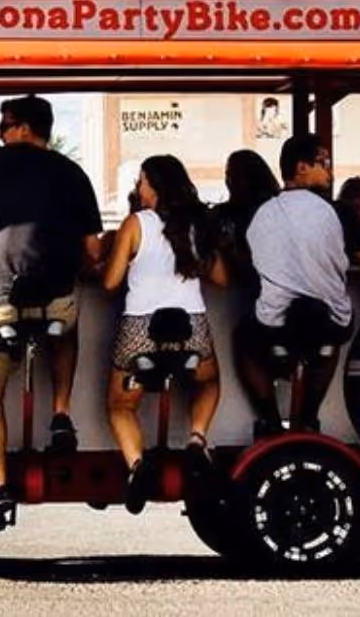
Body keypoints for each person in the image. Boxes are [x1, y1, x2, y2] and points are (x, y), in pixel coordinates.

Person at [0, 95, 103, 537]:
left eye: (6, 124)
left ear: (25, 128)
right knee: (66, 326)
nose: (0, 133)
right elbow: (94, 249)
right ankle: (60, 414)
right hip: (54, 291)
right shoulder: (73, 172)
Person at [102, 155, 228, 514]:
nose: (137, 188)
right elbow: (222, 279)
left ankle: (138, 466)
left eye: (141, 181)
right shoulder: (198, 224)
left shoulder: (135, 223)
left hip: (141, 331)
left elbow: (110, 283)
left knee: (120, 404)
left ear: (153, 187)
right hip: (191, 329)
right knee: (209, 382)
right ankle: (195, 439)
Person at [238, 134, 356, 435]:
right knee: (330, 345)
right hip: (331, 321)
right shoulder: (339, 212)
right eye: (324, 164)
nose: (329, 172)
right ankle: (309, 418)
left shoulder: (260, 212)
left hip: (274, 325)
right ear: (302, 168)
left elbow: (246, 259)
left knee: (244, 340)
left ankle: (270, 420)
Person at [210, 149, 280, 299]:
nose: (228, 180)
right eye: (227, 175)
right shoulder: (278, 208)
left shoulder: (224, 215)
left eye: (231, 175)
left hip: (240, 295)